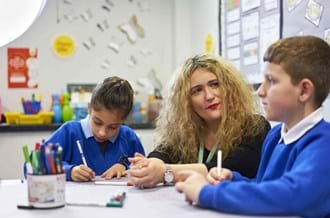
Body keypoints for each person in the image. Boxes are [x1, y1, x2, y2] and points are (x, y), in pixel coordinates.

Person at [175, 36, 330, 217]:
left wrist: (205, 193)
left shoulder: (323, 144)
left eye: (271, 81)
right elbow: (263, 186)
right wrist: (232, 178)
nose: (260, 91)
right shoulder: (275, 137)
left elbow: (289, 196)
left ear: (304, 90)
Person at [127, 54, 270, 188]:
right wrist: (149, 166)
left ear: (230, 88)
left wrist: (165, 172)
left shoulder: (255, 126)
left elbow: (230, 168)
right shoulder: (185, 130)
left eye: (214, 84)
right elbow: (161, 153)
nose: (208, 96)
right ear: (186, 102)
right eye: (197, 90)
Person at [45, 76, 145, 182]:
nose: (102, 133)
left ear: (123, 120)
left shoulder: (129, 138)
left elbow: (144, 169)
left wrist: (125, 167)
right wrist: (70, 171)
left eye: (113, 127)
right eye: (97, 122)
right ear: (89, 108)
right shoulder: (69, 132)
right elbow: (35, 165)